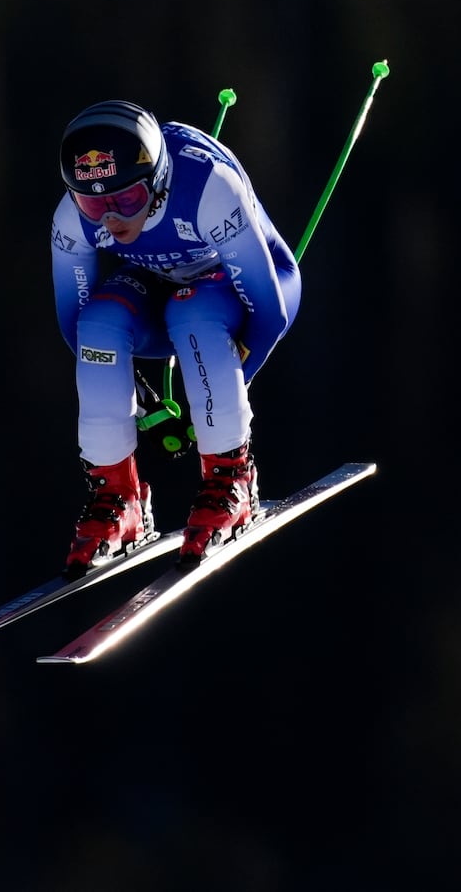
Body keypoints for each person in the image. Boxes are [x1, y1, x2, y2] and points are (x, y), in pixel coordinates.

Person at [51, 99, 302, 577]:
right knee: (99, 325)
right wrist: (138, 400)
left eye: (126, 200)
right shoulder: (71, 218)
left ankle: (231, 476)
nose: (109, 219)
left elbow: (268, 312)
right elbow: (74, 323)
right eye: (92, 202)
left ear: (160, 184)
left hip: (239, 289)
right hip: (159, 286)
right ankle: (118, 497)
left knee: (196, 312)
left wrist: (208, 399)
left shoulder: (208, 188)